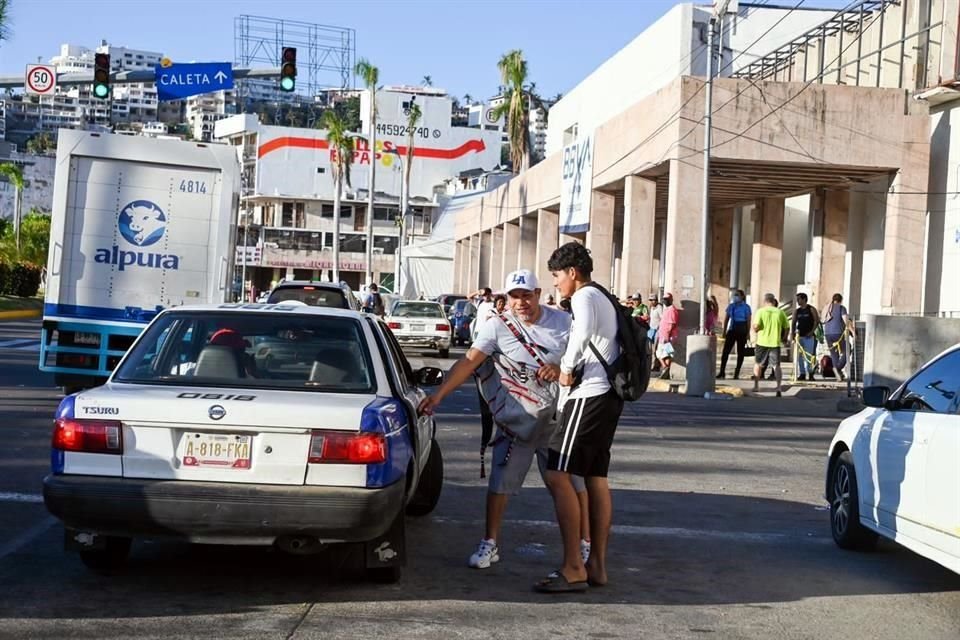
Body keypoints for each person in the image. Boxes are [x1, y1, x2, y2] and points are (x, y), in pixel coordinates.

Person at [418, 269, 592, 570]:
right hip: (517, 422)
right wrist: (439, 395)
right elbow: (470, 360)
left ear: (538, 294)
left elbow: (587, 361)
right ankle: (490, 542)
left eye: (527, 295)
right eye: (514, 296)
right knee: (500, 483)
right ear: (506, 298)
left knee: (574, 483)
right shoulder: (497, 326)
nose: (521, 302)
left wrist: (559, 366)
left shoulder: (565, 322)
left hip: (557, 421)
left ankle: (584, 543)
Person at [536, 242, 624, 593]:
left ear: (572, 272)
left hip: (589, 395)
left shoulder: (586, 296)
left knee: (557, 473)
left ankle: (574, 566)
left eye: (557, 276)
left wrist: (567, 369)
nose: (556, 284)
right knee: (595, 477)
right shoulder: (604, 295)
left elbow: (583, 332)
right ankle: (596, 565)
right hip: (608, 397)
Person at [752, 293, 790, 397]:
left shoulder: (760, 311)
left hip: (761, 343)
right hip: (775, 343)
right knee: (776, 366)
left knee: (758, 364)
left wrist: (758, 329)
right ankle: (778, 387)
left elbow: (755, 327)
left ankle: (756, 385)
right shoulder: (780, 312)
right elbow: (787, 327)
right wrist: (784, 338)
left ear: (765, 301)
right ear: (773, 301)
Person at [717, 289, 751, 379]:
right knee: (726, 351)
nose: (735, 297)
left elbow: (748, 320)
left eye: (737, 295)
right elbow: (726, 319)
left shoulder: (746, 307)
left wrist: (748, 333)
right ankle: (722, 371)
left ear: (742, 297)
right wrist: (724, 331)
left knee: (740, 352)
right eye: (734, 295)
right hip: (732, 329)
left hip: (742, 329)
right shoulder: (731, 306)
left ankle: (737, 373)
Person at [821, 293, 855, 381]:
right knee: (847, 349)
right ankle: (838, 368)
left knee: (834, 354)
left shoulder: (827, 308)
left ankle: (838, 375)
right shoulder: (841, 308)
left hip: (828, 334)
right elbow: (846, 321)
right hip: (837, 333)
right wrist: (853, 332)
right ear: (840, 300)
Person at [791, 292, 820, 381]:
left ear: (804, 299)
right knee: (799, 355)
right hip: (800, 336)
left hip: (809, 336)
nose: (798, 301)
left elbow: (816, 321)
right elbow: (793, 322)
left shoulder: (811, 309)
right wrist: (792, 334)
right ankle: (802, 373)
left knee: (809, 355)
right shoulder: (797, 311)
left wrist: (812, 332)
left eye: (799, 299)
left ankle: (810, 373)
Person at [656, 293, 679, 379]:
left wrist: (667, 336)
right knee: (666, 355)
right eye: (664, 299)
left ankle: (665, 367)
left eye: (667, 299)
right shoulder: (667, 309)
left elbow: (671, 325)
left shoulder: (672, 310)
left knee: (660, 354)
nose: (665, 301)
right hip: (663, 336)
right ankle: (666, 371)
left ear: (671, 300)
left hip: (667, 336)